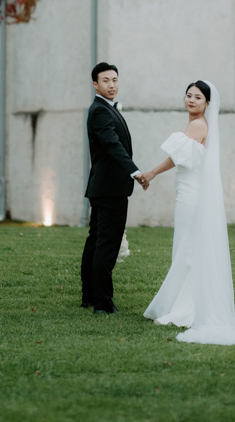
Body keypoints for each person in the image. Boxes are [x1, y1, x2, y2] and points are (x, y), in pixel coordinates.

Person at [141, 80, 235, 345]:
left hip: (191, 196)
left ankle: (187, 307)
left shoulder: (199, 125)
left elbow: (177, 158)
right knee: (186, 248)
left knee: (186, 249)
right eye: (188, 96)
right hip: (188, 191)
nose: (191, 100)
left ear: (207, 103)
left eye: (197, 97)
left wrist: (152, 173)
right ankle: (183, 302)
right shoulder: (196, 124)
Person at [80, 63, 148, 314]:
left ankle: (89, 295)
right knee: (106, 245)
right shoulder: (99, 111)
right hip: (110, 189)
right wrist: (135, 171)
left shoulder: (105, 109)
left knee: (96, 241)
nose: (112, 85)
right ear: (95, 84)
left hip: (103, 187)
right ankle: (103, 303)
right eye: (106, 80)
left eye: (115, 80)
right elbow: (112, 145)